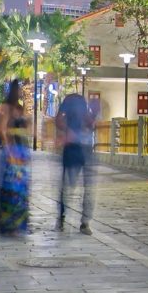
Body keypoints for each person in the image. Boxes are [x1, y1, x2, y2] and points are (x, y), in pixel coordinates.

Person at [0, 80, 31, 235]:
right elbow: (1, 129)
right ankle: (10, 224)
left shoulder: (19, 109)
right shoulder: (7, 108)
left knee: (19, 190)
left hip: (21, 151)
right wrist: (9, 147)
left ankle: (17, 224)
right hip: (13, 152)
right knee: (12, 189)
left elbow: (29, 129)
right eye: (20, 89)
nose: (22, 92)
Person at [55, 90, 95, 234]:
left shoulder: (74, 102)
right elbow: (59, 120)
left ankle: (81, 221)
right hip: (75, 149)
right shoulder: (72, 101)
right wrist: (68, 131)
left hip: (82, 149)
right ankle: (69, 218)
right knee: (71, 185)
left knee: (80, 186)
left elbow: (59, 120)